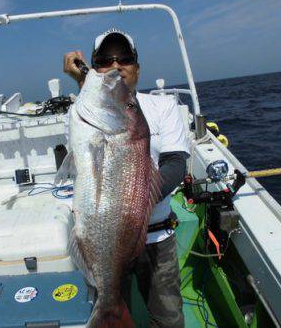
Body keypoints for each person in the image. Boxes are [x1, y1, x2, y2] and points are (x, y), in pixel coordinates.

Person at [63, 28, 189, 328]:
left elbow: (176, 164)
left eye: (125, 58)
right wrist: (86, 80)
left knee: (169, 320)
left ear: (137, 67)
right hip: (102, 241)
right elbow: (89, 149)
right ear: (95, 67)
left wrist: (134, 203)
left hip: (158, 237)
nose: (116, 65)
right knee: (110, 303)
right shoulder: (81, 112)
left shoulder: (163, 107)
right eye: (106, 60)